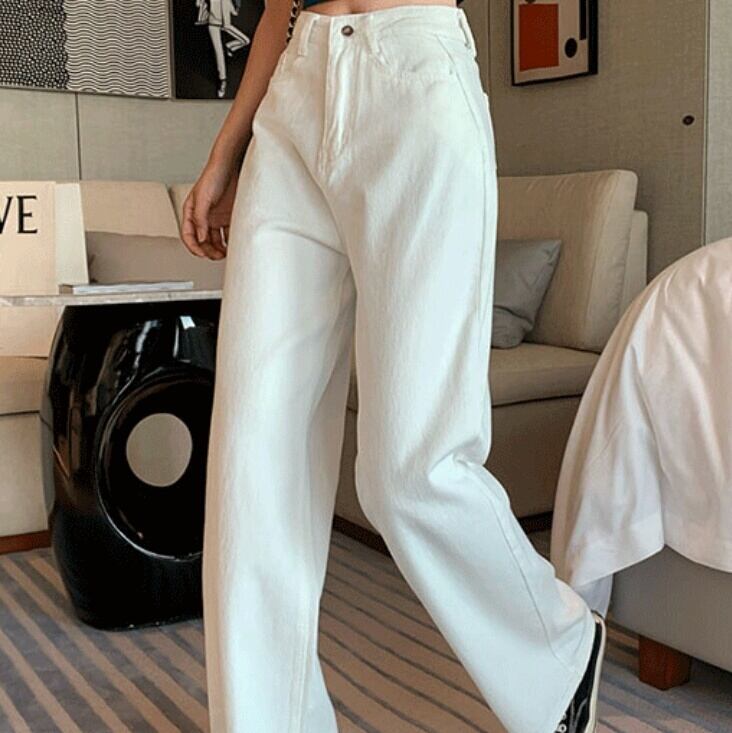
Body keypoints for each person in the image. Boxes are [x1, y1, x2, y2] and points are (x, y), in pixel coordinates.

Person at [180, 0, 608, 731]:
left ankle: (557, 652)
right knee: (252, 460)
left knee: (409, 471)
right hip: (292, 95)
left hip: (413, 75)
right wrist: (227, 147)